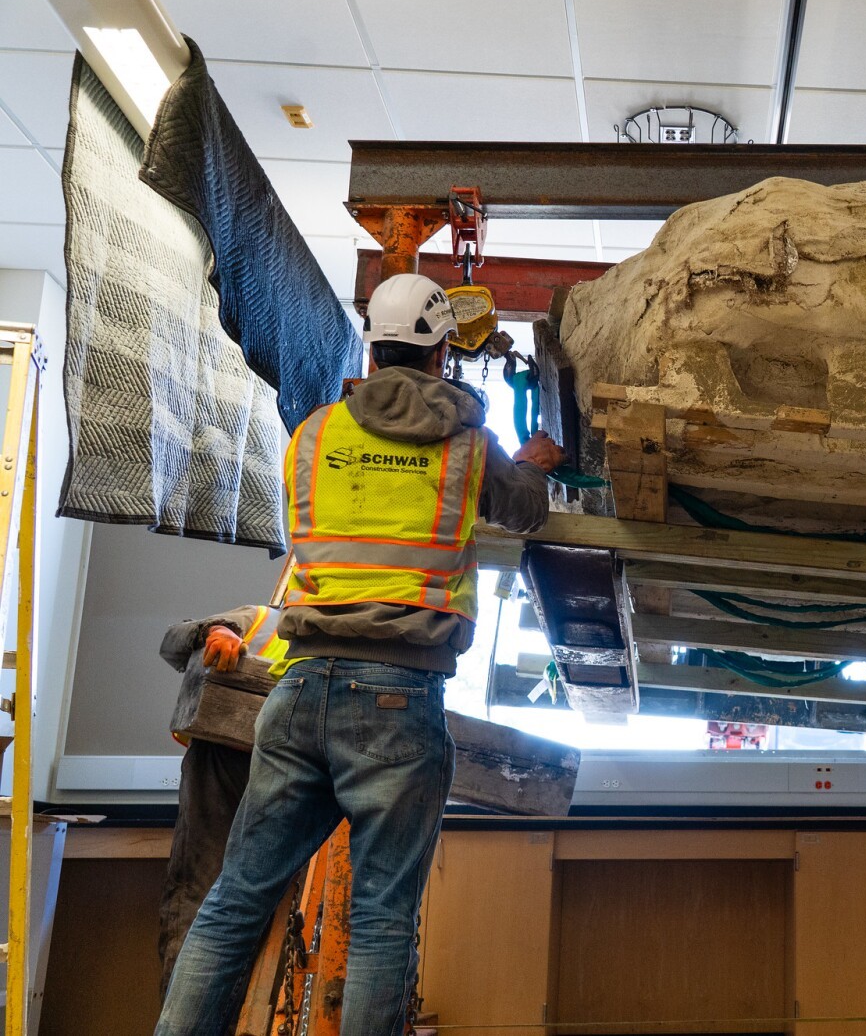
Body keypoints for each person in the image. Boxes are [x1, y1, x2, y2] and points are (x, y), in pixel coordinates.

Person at [156, 274, 565, 1036]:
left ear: (372, 350)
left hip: (300, 689)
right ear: (442, 353)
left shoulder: (314, 435)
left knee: (236, 899)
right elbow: (525, 511)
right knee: (380, 920)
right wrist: (533, 463)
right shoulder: (468, 447)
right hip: (398, 701)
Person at [155, 604, 284, 995]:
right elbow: (173, 640)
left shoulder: (350, 641)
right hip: (221, 771)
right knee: (199, 905)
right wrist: (216, 632)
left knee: (275, 930)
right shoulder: (263, 619)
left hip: (290, 781)